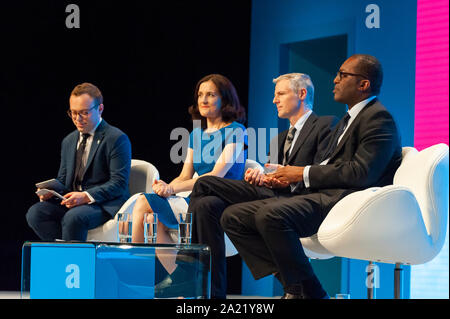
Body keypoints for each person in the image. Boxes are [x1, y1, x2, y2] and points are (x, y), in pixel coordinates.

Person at [220, 54, 402, 299]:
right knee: (233, 216)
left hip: (345, 200)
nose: (335, 80)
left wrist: (302, 173)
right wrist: (287, 178)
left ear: (363, 84)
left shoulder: (378, 118)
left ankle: (305, 291)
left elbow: (361, 172)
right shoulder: (348, 120)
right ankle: (299, 288)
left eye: (343, 75)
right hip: (322, 194)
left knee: (270, 215)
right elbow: (326, 164)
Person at [187, 73, 338, 298]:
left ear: (302, 94)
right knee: (206, 204)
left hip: (298, 200)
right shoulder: (279, 139)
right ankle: (213, 294)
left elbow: (321, 171)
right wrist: (260, 176)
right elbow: (273, 175)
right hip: (270, 194)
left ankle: (189, 272)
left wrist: (288, 177)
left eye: (280, 94)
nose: (274, 100)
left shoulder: (325, 125)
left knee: (206, 184)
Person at [129, 74, 247, 288]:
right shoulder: (196, 134)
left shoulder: (236, 131)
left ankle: (135, 272)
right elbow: (185, 176)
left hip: (220, 197)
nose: (203, 100)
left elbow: (215, 177)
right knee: (151, 219)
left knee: (142, 202)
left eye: (211, 94)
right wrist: (165, 188)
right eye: (200, 95)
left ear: (225, 99)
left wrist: (172, 188)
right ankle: (179, 277)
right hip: (195, 195)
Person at [26, 82, 132, 241]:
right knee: (36, 213)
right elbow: (63, 179)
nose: (77, 119)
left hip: (103, 204)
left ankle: (72, 261)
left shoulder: (116, 138)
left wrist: (85, 196)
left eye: (84, 113)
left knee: (73, 217)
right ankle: (65, 253)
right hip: (76, 203)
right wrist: (51, 192)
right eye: (73, 113)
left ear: (100, 109)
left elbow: (119, 183)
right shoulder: (69, 141)